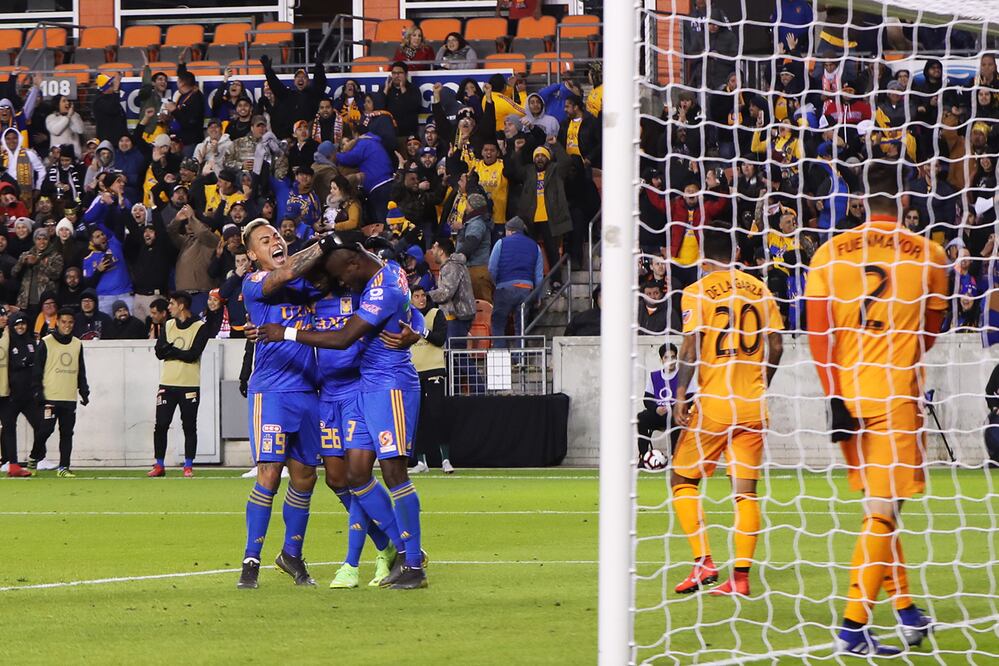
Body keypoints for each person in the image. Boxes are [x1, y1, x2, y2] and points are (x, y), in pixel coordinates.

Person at [804, 165, 946, 655]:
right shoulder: (931, 255)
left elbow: (818, 336)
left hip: (848, 397)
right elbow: (931, 333)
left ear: (862, 200)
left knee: (876, 511)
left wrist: (834, 395)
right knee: (886, 512)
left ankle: (906, 609)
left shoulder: (826, 255)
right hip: (895, 394)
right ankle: (853, 625)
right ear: (906, 198)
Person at [258, 234, 429, 590]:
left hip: (390, 383)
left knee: (394, 471)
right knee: (355, 476)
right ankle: (400, 550)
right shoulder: (389, 272)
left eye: (342, 275)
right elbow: (412, 314)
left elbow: (343, 338)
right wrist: (418, 329)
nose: (341, 283)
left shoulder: (382, 289)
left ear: (354, 263)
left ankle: (412, 563)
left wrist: (285, 333)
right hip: (363, 387)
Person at [670, 228, 784, 597]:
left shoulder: (697, 291)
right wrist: (761, 380)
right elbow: (778, 345)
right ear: (735, 251)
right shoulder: (760, 288)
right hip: (753, 404)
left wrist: (681, 395)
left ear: (704, 258)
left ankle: (703, 561)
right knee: (745, 493)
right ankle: (741, 578)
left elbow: (690, 347)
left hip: (717, 405)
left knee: (681, 479)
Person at [236, 218, 329, 589]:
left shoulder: (305, 284)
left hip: (308, 391)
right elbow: (285, 273)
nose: (274, 241)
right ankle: (250, 560)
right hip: (271, 392)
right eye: (264, 240)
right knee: (270, 474)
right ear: (252, 254)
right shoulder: (255, 283)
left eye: (276, 236)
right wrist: (324, 244)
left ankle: (291, 554)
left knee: (306, 477)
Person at [148, 291, 211, 478]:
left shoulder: (200, 327)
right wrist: (175, 351)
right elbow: (159, 352)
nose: (169, 307)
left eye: (172, 303)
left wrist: (172, 350)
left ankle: (188, 465)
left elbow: (193, 355)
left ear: (181, 306)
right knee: (161, 425)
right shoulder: (167, 324)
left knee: (189, 425)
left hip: (189, 384)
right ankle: (159, 464)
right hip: (167, 383)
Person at [31, 308, 89, 477]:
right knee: (45, 430)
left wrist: (84, 391)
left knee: (67, 433)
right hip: (50, 396)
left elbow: (81, 370)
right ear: (57, 322)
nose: (67, 325)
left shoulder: (77, 344)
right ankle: (34, 456)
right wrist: (38, 391)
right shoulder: (46, 342)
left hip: (69, 396)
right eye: (64, 322)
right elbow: (37, 370)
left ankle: (63, 467)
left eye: (70, 322)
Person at [409, 284, 453, 474]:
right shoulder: (407, 317)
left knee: (437, 415)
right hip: (412, 373)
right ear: (410, 299)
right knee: (417, 417)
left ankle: (445, 459)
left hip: (433, 370)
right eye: (416, 296)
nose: (421, 299)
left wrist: (423, 332)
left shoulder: (436, 314)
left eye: (423, 296)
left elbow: (440, 338)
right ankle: (421, 462)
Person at [488, 217, 542, 342]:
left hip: (504, 288)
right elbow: (538, 276)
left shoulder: (501, 243)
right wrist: (537, 296)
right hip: (526, 289)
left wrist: (497, 283)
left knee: (498, 323)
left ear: (511, 231)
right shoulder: (535, 246)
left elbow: (491, 268)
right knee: (520, 327)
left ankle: (500, 357)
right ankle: (520, 359)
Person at [1, 311, 39, 476]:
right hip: (11, 394)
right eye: (16, 324)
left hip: (26, 395)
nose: (20, 327)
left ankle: (36, 458)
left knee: (41, 427)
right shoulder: (7, 341)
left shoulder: (31, 342)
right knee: (9, 427)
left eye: (23, 323)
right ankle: (11, 464)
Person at [636, 343, 681, 465]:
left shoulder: (683, 375)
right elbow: (647, 399)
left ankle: (674, 457)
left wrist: (671, 408)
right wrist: (656, 409)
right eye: (667, 357)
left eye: (673, 357)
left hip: (676, 414)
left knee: (675, 418)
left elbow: (690, 397)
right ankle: (643, 456)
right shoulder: (654, 376)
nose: (670, 361)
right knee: (642, 417)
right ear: (661, 360)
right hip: (659, 413)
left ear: (676, 358)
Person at [428, 237, 476, 343]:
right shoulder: (450, 266)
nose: (432, 251)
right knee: (456, 354)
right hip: (455, 315)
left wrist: (427, 296)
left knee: (455, 353)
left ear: (441, 251)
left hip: (457, 316)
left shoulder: (451, 267)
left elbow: (446, 293)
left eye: (434, 247)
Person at [13, 228, 63, 317]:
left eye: (45, 239)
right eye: (38, 239)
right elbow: (14, 273)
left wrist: (39, 262)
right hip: (25, 301)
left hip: (45, 302)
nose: (42, 242)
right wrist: (21, 263)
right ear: (34, 240)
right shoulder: (26, 254)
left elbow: (56, 275)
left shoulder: (56, 256)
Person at [91, 74, 127, 143]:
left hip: (116, 137)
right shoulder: (98, 101)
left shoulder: (109, 97)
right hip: (108, 140)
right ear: (106, 88)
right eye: (111, 85)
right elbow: (113, 109)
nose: (114, 87)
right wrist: (116, 91)